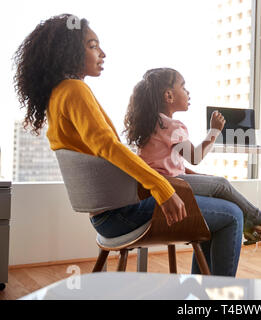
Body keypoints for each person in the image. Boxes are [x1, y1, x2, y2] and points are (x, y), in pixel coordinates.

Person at [14, 14, 243, 276]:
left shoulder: (58, 95)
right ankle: (217, 298)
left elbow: (105, 150)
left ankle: (203, 294)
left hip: (106, 217)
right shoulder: (74, 90)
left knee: (218, 206)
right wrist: (162, 188)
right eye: (92, 45)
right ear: (67, 51)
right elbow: (108, 147)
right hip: (123, 215)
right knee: (232, 215)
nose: (103, 53)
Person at [123, 68, 261, 245]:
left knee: (216, 183)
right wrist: (214, 131)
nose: (188, 92)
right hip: (170, 185)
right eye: (183, 87)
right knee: (222, 184)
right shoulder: (171, 126)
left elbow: (170, 163)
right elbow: (195, 156)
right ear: (169, 96)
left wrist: (199, 177)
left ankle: (252, 229)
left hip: (152, 187)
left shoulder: (153, 124)